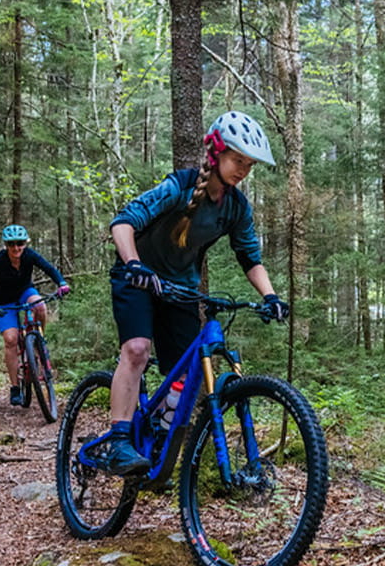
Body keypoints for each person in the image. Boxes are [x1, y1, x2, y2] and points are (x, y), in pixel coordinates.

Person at [92, 110, 290, 476]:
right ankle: (119, 440)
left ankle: (157, 441)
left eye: (249, 165)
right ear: (216, 153)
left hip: (180, 289)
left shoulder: (236, 207)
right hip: (136, 277)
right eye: (238, 160)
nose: (243, 170)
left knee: (185, 374)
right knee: (137, 350)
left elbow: (250, 257)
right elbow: (123, 223)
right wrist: (134, 264)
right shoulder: (179, 186)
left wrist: (271, 296)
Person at [0, 224, 70, 406]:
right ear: (6, 245)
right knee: (11, 340)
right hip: (3, 302)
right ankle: (15, 388)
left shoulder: (29, 255)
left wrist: (61, 283)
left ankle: (38, 342)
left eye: (20, 243)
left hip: (24, 293)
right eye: (11, 244)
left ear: (25, 244)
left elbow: (49, 268)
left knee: (40, 306)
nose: (16, 248)